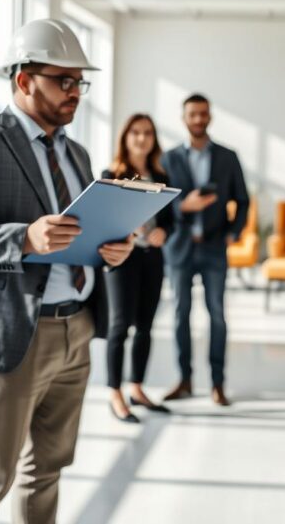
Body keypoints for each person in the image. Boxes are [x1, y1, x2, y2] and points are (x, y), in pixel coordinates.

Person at [0, 18, 135, 524]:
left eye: (80, 82)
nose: (76, 92)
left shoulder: (76, 153)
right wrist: (20, 237)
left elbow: (75, 235)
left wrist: (108, 250)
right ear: (23, 80)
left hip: (75, 328)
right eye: (65, 80)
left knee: (49, 469)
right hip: (13, 333)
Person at [160, 93, 249, 407]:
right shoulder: (168, 159)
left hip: (214, 248)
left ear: (210, 117)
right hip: (180, 248)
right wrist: (184, 205)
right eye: (193, 114)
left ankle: (217, 384)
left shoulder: (228, 157)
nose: (198, 119)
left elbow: (243, 200)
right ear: (184, 118)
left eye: (203, 114)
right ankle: (184, 380)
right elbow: (160, 204)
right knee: (180, 315)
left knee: (217, 316)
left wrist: (233, 233)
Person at [103, 114, 173, 422]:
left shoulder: (161, 173)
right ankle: (115, 394)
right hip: (123, 260)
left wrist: (164, 232)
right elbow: (104, 218)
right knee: (119, 327)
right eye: (135, 132)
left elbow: (170, 219)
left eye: (147, 133)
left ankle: (137, 388)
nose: (141, 139)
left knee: (145, 326)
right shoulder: (113, 173)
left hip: (152, 259)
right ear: (125, 137)